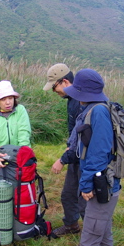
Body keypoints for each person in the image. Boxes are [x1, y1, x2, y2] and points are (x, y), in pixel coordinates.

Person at [63, 69, 121, 246]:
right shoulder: (101, 106)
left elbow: (97, 153)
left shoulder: (97, 112)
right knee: (103, 232)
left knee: (88, 243)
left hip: (100, 187)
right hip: (108, 185)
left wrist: (86, 185)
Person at [43, 63, 86, 236]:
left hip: (86, 158)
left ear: (65, 82)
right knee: (68, 194)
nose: (55, 92)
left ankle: (91, 240)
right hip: (75, 156)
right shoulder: (71, 101)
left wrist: (62, 160)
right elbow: (73, 133)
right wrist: (69, 150)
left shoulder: (82, 102)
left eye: (55, 87)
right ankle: (71, 226)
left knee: (85, 199)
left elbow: (82, 140)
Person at [0, 80, 31, 168]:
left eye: (10, 98)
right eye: (3, 99)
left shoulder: (20, 110)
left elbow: (24, 134)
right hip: (0, 161)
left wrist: (22, 155)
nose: (8, 102)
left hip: (21, 159)